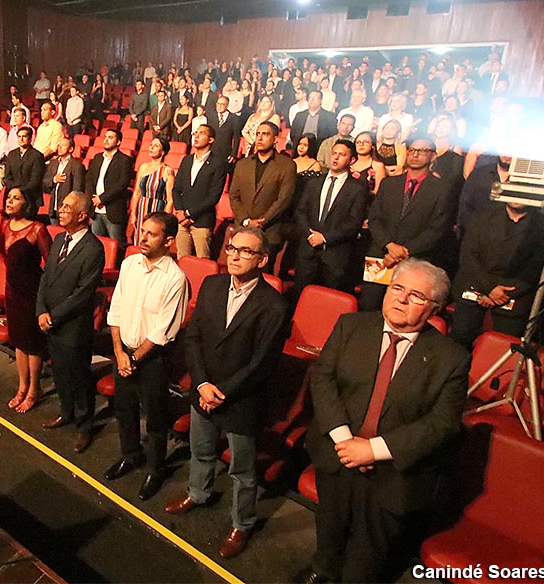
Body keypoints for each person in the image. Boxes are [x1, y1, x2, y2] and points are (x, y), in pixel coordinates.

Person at [301, 259, 469, 584]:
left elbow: (442, 423)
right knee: (329, 534)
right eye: (397, 288)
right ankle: (323, 571)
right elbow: (323, 379)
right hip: (336, 456)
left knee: (366, 559)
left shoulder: (451, 359)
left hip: (393, 474)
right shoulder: (350, 326)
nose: (401, 299)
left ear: (436, 308)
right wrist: (344, 440)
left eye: (416, 295)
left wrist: (374, 450)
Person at [164, 227, 287, 558]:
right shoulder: (212, 284)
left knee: (242, 471)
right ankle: (198, 493)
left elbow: (262, 363)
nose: (234, 254)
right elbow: (194, 339)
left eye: (245, 251)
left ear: (262, 259)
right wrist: (201, 383)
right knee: (201, 450)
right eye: (232, 248)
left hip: (241, 399)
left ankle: (242, 523)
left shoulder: (273, 304)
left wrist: (223, 391)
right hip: (203, 389)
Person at [106, 212, 190, 501]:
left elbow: (162, 331)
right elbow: (115, 309)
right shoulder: (129, 264)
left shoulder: (176, 278)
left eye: (151, 234)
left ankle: (156, 468)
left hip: (152, 360)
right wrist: (119, 352)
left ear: (168, 241)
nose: (142, 237)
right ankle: (130, 454)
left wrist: (134, 358)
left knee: (155, 418)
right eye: (143, 231)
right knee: (124, 410)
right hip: (123, 355)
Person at [37, 192, 104, 453]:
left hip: (72, 326)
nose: (60, 210)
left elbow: (83, 293)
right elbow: (46, 277)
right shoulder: (58, 239)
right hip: (50, 322)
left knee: (78, 377)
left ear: (82, 216)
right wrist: (41, 310)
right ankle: (66, 413)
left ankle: (84, 426)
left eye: (66, 207)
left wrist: (53, 316)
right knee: (60, 373)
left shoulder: (93, 249)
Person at [360, 137, 453, 310]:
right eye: (411, 150)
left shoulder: (442, 189)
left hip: (416, 260)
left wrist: (403, 252)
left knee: (404, 310)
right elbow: (375, 218)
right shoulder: (389, 183)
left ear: (433, 156)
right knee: (368, 306)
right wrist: (389, 245)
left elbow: (438, 229)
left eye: (422, 151)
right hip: (380, 255)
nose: (415, 155)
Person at [449, 201, 544, 348]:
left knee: (505, 344)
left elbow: (535, 270)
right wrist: (489, 288)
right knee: (460, 336)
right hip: (475, 284)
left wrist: (501, 295)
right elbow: (468, 257)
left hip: (513, 294)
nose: (517, 198)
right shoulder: (482, 215)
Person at [1, 187, 53, 413]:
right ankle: (22, 387)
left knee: (32, 344)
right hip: (12, 291)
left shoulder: (38, 229)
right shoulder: (4, 226)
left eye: (16, 198)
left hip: (32, 292)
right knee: (18, 341)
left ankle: (34, 389)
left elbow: (50, 263)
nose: (10, 201)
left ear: (26, 203)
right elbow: (5, 257)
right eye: (9, 197)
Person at [294, 140, 370, 293]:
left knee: (328, 302)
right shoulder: (313, 183)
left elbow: (354, 223)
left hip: (335, 256)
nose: (336, 158)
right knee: (300, 298)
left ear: (352, 160)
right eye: (334, 153)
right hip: (308, 252)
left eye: (342, 155)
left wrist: (325, 238)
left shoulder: (358, 188)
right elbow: (300, 212)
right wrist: (310, 234)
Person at [229, 122, 297, 263]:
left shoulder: (287, 165)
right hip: (242, 229)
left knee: (264, 278)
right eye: (258, 134)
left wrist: (262, 222)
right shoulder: (242, 164)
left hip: (269, 232)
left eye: (265, 134)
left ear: (276, 139)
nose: (259, 138)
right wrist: (246, 221)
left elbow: (284, 199)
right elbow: (234, 196)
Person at [172, 124, 225, 259]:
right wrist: (179, 212)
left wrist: (189, 214)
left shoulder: (218, 163)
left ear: (211, 140)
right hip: (182, 222)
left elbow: (213, 197)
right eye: (195, 133)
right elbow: (176, 189)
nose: (196, 136)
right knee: (182, 260)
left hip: (202, 222)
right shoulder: (187, 160)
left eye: (201, 133)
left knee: (202, 262)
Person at [86, 129, 133, 258]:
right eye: (105, 137)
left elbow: (122, 184)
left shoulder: (125, 160)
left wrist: (102, 199)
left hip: (113, 210)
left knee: (117, 246)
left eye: (110, 137)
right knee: (95, 245)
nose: (106, 139)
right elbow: (89, 179)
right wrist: (93, 199)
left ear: (118, 142)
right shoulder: (97, 157)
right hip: (96, 209)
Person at [129, 138, 174, 245]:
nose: (152, 147)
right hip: (142, 209)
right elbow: (137, 193)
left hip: (157, 211)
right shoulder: (143, 167)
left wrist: (165, 221)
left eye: (156, 146)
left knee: (153, 242)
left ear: (163, 152)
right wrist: (133, 214)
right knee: (140, 240)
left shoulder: (167, 171)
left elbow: (170, 200)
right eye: (151, 145)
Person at [2, 125, 46, 212]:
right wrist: (14, 190)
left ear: (30, 139)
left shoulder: (37, 156)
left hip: (30, 198)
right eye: (19, 136)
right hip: (13, 195)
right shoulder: (12, 154)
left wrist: (19, 191)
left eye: (24, 136)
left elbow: (35, 180)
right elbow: (7, 176)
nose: (21, 139)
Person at [43, 137, 85, 225]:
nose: (60, 147)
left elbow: (77, 191)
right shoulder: (53, 163)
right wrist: (54, 180)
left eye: (63, 145)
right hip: (53, 208)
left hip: (67, 210)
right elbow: (45, 182)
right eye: (59, 145)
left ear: (71, 149)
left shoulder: (77, 166)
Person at [209, 95, 242, 168]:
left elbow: (237, 138)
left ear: (227, 105)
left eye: (222, 104)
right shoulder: (211, 116)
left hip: (225, 153)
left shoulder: (234, 118)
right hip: (212, 152)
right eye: (218, 104)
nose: (219, 106)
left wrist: (234, 154)